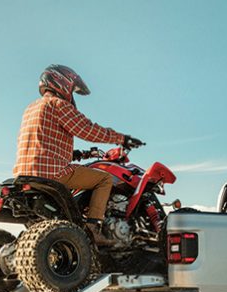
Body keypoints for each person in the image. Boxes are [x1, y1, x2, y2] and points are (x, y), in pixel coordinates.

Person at [14, 64, 143, 238]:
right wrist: (121, 138)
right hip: (52, 173)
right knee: (104, 179)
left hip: (24, 173)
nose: (72, 95)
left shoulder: (31, 108)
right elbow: (88, 130)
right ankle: (93, 228)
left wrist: (79, 154)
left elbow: (44, 140)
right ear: (64, 82)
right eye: (73, 90)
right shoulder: (58, 104)